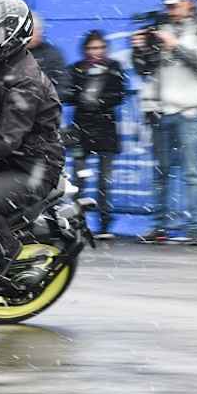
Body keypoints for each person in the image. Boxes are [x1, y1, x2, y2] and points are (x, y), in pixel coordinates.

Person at [0, 0, 65, 280]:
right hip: (7, 159)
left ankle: (6, 262)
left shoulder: (25, 80)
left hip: (32, 167)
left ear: (12, 35)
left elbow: (4, 140)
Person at [132, 0, 197, 245]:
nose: (171, 11)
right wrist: (140, 49)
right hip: (162, 111)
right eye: (167, 6)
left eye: (175, 5)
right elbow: (145, 71)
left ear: (188, 3)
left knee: (193, 173)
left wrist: (176, 46)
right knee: (161, 173)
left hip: (190, 111)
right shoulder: (160, 28)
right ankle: (159, 226)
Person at [66, 30, 127, 239]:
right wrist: (84, 98)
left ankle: (104, 224)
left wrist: (99, 102)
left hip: (106, 131)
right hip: (82, 131)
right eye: (92, 48)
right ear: (85, 50)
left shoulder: (114, 68)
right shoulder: (76, 69)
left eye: (100, 48)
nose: (96, 52)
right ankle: (75, 224)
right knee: (78, 180)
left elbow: (119, 94)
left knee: (104, 181)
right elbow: (68, 94)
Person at [28, 12, 70, 99]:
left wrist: (46, 99)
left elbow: (63, 85)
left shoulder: (52, 54)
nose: (34, 34)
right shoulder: (12, 53)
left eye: (36, 30)